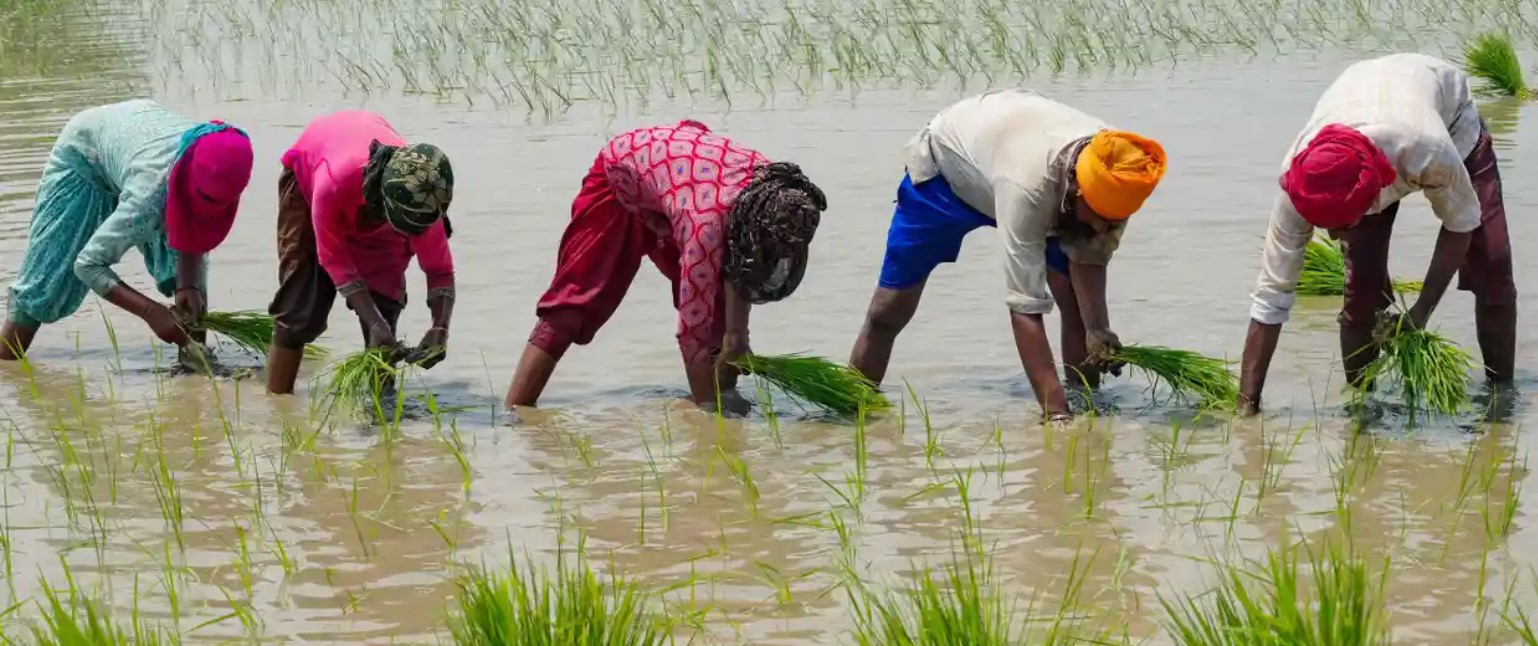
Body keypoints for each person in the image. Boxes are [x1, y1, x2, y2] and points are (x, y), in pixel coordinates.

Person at [847, 89, 1167, 421]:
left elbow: (1089, 259)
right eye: (1099, 218)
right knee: (888, 311)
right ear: (1076, 191)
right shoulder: (1029, 187)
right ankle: (852, 409)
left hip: (1024, 169)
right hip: (947, 175)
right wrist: (1056, 418)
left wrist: (1097, 328)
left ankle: (1087, 402)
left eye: (1113, 222)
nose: (1104, 229)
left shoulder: (1120, 173)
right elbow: (1024, 309)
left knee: (1073, 304)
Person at [1238, 53, 1515, 414]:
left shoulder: (1428, 149)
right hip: (1363, 97)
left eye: (1341, 226)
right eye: (1327, 227)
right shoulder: (1300, 183)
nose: (1335, 238)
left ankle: (1502, 400)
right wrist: (1247, 406)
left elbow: (1460, 223)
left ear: (1371, 197)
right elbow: (1270, 299)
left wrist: (1421, 312)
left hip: (1447, 118)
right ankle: (1364, 405)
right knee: (1362, 288)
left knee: (1493, 262)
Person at [504, 120, 827, 408]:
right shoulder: (707, 225)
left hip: (682, 177)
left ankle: (727, 396)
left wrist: (737, 336)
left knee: (717, 308)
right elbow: (691, 332)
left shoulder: (777, 189)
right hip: (622, 176)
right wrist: (709, 418)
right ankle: (515, 412)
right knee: (576, 303)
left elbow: (740, 261)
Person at [2, 100, 253, 362]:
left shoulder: (221, 161)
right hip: (84, 156)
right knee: (43, 284)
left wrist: (188, 284)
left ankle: (195, 365)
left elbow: (194, 232)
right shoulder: (149, 196)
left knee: (192, 286)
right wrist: (149, 312)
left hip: (136, 142)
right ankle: (6, 365)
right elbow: (87, 264)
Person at [265, 110, 456, 395]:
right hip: (313, 169)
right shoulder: (333, 183)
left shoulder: (423, 197)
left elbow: (440, 270)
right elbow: (333, 259)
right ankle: (278, 404)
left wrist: (440, 328)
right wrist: (373, 320)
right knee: (300, 308)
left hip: (385, 202)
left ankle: (382, 419)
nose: (416, 236)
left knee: (386, 307)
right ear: (383, 204)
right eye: (407, 229)